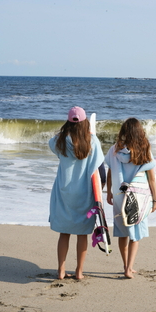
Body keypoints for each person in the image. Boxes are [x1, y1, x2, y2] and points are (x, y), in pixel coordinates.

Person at [49, 106, 105, 280]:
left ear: (68, 122)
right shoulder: (92, 141)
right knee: (82, 234)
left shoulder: (59, 141)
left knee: (64, 233)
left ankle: (60, 270)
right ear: (85, 122)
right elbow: (100, 170)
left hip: (64, 192)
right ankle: (79, 272)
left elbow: (51, 141)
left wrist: (65, 131)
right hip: (84, 194)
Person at [105, 118, 156, 279]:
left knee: (122, 233)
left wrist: (108, 192)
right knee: (135, 235)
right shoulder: (144, 150)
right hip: (138, 199)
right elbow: (151, 178)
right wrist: (155, 199)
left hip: (120, 196)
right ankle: (129, 267)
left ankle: (125, 266)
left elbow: (109, 171)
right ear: (139, 132)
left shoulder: (114, 150)